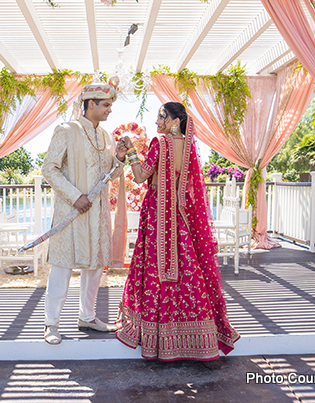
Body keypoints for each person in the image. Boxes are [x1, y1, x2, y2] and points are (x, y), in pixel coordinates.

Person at [116, 101, 240, 360]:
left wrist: (130, 153)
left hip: (158, 218)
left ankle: (156, 337)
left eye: (162, 117)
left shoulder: (160, 144)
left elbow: (141, 176)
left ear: (175, 121)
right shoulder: (189, 147)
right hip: (179, 218)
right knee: (186, 271)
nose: (157, 122)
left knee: (155, 271)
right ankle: (196, 336)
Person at [40, 81, 128, 345]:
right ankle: (51, 323)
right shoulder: (66, 130)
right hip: (71, 211)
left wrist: (120, 158)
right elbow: (49, 169)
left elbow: (110, 176)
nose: (109, 110)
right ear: (89, 104)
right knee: (62, 267)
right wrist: (74, 196)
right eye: (105, 105)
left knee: (95, 267)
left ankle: (87, 316)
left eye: (110, 105)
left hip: (97, 213)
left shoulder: (106, 137)